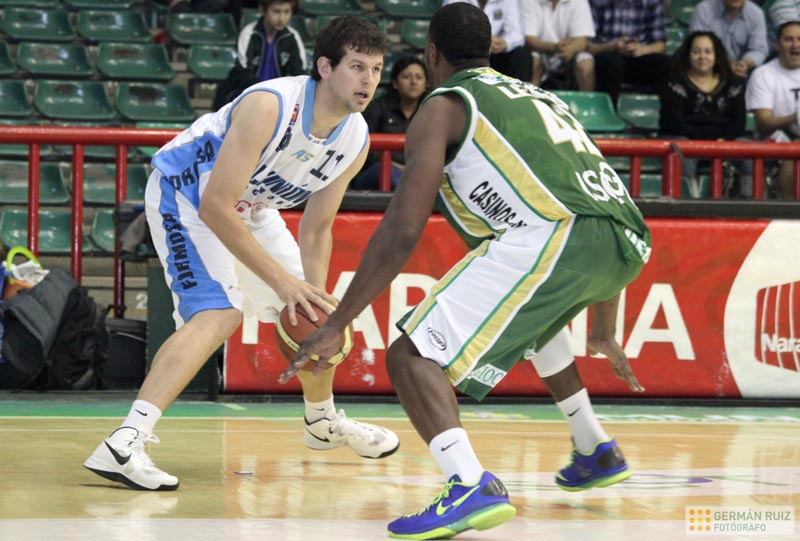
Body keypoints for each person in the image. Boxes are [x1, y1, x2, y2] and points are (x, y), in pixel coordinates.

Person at [280, 3, 651, 539]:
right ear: (491, 49)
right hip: (627, 237)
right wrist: (603, 327)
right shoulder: (539, 96)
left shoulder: (444, 107)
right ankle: (594, 447)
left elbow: (402, 229)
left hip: (558, 234)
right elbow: (595, 209)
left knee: (412, 355)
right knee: (535, 325)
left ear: (431, 53)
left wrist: (338, 321)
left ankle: (469, 482)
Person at [83, 16, 399, 492]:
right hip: (186, 194)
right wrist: (282, 282)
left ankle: (321, 422)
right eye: (357, 66)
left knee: (317, 313)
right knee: (219, 313)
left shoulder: (355, 139)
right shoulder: (270, 105)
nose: (368, 80)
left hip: (252, 208)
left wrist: (311, 304)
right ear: (324, 67)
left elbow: (317, 227)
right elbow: (215, 206)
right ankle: (124, 442)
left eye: (375, 69)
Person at [660, 31, 749, 195]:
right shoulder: (673, 82)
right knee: (682, 153)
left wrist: (724, 140)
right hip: (686, 139)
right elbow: (673, 121)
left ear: (716, 55)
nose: (702, 57)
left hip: (725, 140)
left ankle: (752, 206)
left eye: (708, 52)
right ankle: (685, 204)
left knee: (748, 152)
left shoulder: (733, 84)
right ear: (688, 55)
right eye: (696, 52)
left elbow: (738, 122)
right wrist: (705, 141)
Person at [212, 0, 307, 111]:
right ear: (262, 10)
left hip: (280, 96)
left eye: (286, 12)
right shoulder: (249, 33)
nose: (282, 18)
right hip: (248, 93)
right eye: (276, 12)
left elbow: (299, 74)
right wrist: (266, 91)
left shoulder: (293, 37)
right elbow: (243, 74)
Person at [351, 56, 428, 190]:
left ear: (426, 84)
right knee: (395, 176)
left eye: (419, 77)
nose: (413, 82)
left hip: (417, 172)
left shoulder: (431, 111)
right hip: (378, 171)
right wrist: (396, 166)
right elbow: (364, 149)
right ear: (395, 83)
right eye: (406, 77)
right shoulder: (377, 107)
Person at [746, 19, 800, 199]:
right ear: (777, 44)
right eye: (789, 39)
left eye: (799, 39)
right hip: (777, 139)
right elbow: (763, 123)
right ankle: (791, 211)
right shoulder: (763, 74)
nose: (795, 45)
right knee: (795, 152)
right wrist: (795, 117)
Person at [588, 0, 672, 103]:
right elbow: (587, 46)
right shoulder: (597, 2)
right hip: (606, 57)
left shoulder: (652, 2)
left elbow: (661, 45)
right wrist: (612, 46)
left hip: (638, 58)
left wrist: (641, 49)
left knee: (665, 63)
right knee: (612, 62)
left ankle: (666, 111)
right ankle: (608, 109)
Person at [442, 0, 533, 82]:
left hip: (496, 53)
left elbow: (517, 34)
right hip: (466, 51)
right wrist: (481, 41)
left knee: (522, 55)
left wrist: (504, 43)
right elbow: (451, 30)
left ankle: (516, 93)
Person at [520, 0, 597, 91]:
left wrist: (570, 49)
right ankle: (530, 98)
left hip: (569, 53)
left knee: (585, 63)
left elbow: (582, 39)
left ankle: (587, 100)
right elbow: (529, 39)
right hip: (540, 50)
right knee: (533, 60)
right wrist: (554, 47)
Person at [690, 0, 769, 79]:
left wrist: (745, 63)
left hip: (741, 74)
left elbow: (759, 50)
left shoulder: (756, 14)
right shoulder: (704, 10)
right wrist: (727, 65)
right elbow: (698, 48)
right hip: (708, 70)